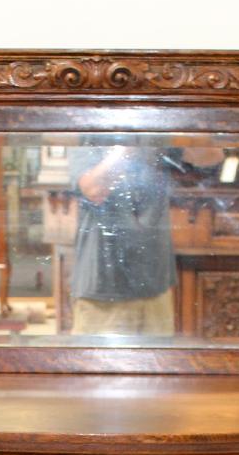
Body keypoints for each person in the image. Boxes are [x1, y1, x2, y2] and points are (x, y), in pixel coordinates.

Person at [68, 142, 223, 336]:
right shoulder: (90, 130)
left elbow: (213, 156)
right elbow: (93, 188)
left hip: (155, 285)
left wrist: (176, 124)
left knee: (157, 364)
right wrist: (129, 144)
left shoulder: (156, 134)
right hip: (103, 288)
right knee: (100, 365)